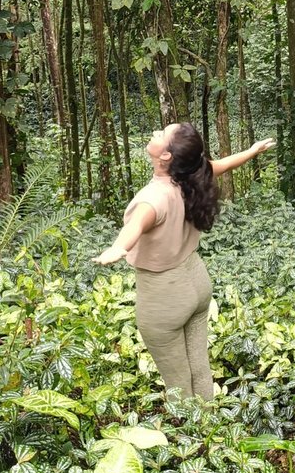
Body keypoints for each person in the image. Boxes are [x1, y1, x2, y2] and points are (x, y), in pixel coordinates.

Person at [94, 122, 275, 400]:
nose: (155, 131)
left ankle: (193, 436)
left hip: (165, 296)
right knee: (199, 367)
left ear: (166, 155)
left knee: (177, 383)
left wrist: (118, 247)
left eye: (161, 134)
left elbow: (138, 223)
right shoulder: (194, 174)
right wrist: (252, 151)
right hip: (196, 283)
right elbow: (224, 165)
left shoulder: (153, 197)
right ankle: (210, 424)